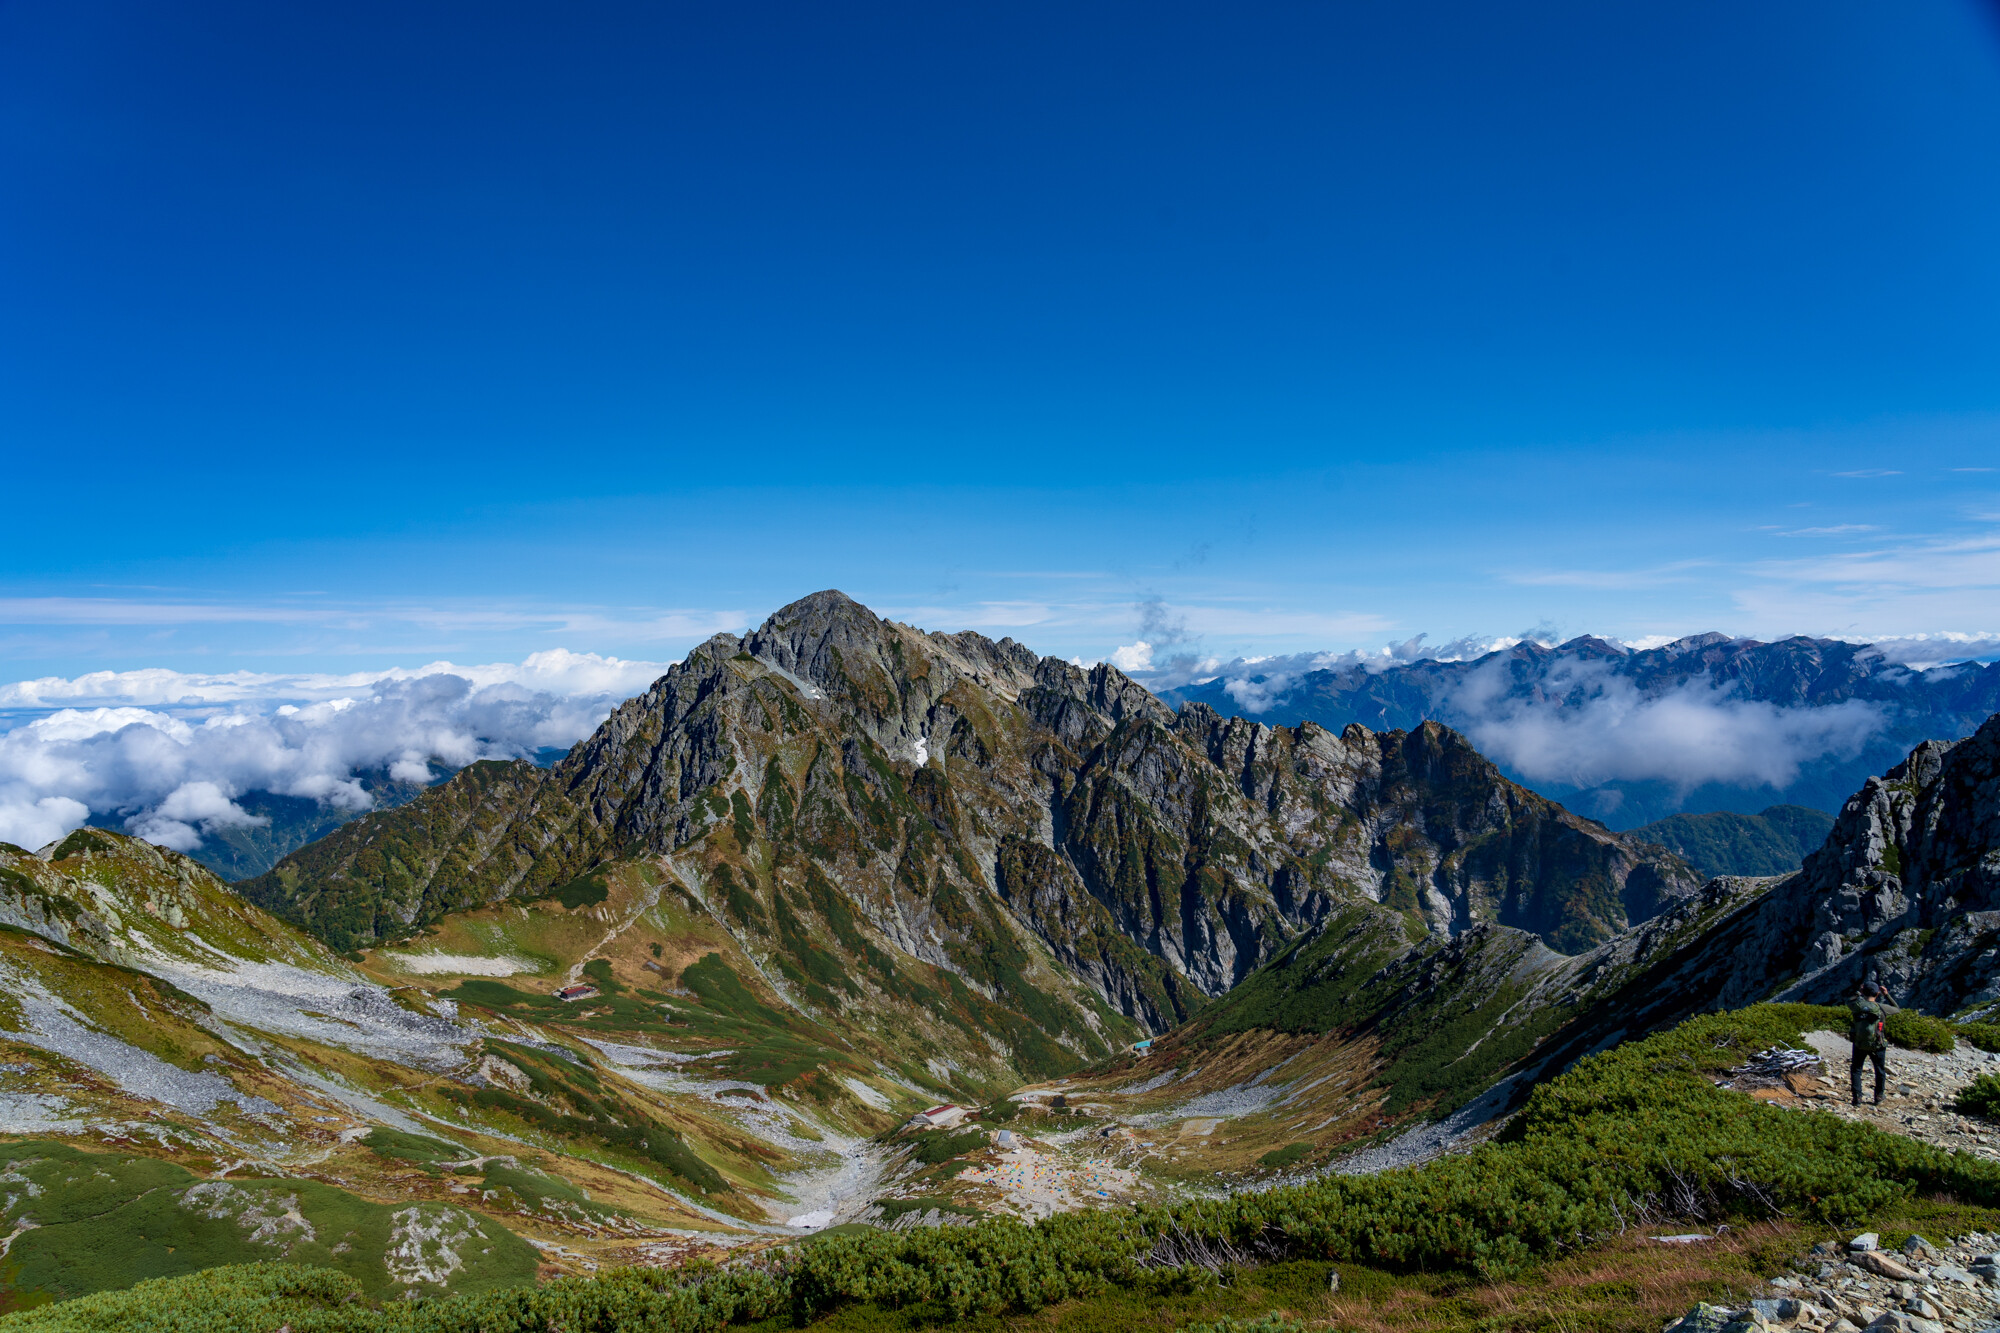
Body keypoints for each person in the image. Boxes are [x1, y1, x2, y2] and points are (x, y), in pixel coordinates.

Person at [1848, 979, 1898, 1106]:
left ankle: (1857, 1098)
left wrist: (1859, 992)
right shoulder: (1882, 1008)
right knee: (1879, 1070)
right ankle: (1879, 1096)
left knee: (1856, 1069)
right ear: (1877, 994)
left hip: (1859, 1043)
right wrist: (1887, 995)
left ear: (1863, 991)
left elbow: (1849, 1000)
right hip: (1878, 1044)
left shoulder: (1856, 1006)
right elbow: (1897, 1009)